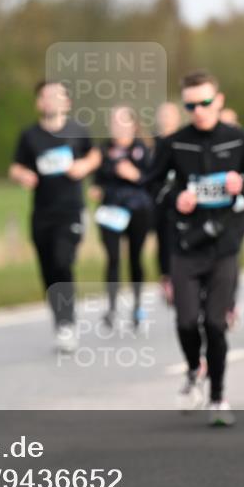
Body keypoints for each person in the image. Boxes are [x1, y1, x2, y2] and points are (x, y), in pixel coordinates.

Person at [125, 70, 244, 426]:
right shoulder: (174, 144)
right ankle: (192, 369)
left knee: (215, 325)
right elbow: (151, 185)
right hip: (185, 243)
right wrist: (176, 198)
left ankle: (218, 397)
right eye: (191, 105)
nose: (198, 110)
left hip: (224, 244)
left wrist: (242, 186)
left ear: (218, 100)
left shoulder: (239, 141)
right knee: (187, 322)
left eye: (204, 103)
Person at [10, 81, 101, 353]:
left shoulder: (77, 131)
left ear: (67, 103)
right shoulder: (30, 136)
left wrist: (84, 165)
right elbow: (15, 166)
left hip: (71, 210)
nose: (51, 101)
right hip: (42, 212)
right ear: (39, 103)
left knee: (63, 261)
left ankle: (68, 324)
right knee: (49, 269)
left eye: (57, 96)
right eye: (45, 96)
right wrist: (22, 175)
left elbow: (95, 154)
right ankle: (60, 320)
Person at [90, 105, 154, 328]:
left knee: (135, 258)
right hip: (111, 212)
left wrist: (135, 175)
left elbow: (152, 180)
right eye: (114, 122)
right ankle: (111, 308)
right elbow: (96, 179)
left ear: (133, 124)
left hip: (138, 210)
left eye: (122, 121)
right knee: (113, 259)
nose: (118, 126)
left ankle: (137, 306)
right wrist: (96, 189)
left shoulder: (143, 149)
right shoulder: (102, 150)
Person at [152, 101, 182, 304]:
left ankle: (183, 278)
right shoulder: (152, 144)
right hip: (159, 202)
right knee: (163, 240)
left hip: (183, 202)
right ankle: (167, 278)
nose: (166, 120)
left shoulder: (185, 141)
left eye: (170, 115)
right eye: (163, 115)